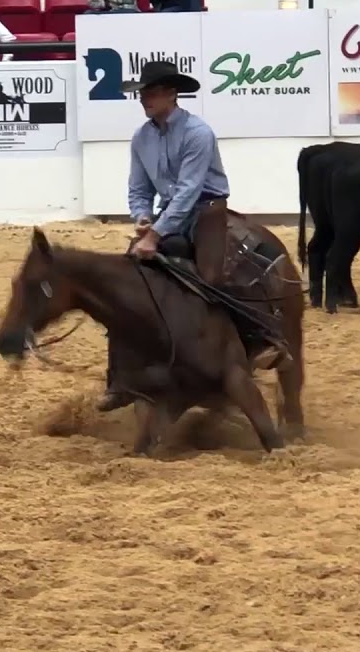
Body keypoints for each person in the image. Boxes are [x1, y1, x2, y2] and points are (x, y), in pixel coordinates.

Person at [95, 60, 283, 412]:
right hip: (170, 212)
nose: (143, 100)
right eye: (142, 94)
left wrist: (156, 234)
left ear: (170, 93)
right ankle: (120, 380)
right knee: (126, 286)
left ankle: (260, 339)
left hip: (207, 209)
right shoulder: (142, 137)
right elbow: (138, 188)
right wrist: (142, 217)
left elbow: (189, 190)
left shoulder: (198, 132)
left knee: (213, 278)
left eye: (149, 93)